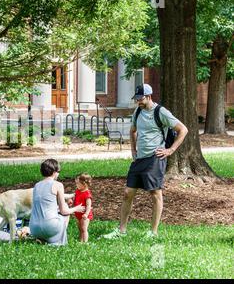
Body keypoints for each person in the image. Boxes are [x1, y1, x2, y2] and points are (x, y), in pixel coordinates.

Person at [103, 84, 188, 239]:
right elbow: (132, 131)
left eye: (140, 99)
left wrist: (170, 150)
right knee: (128, 193)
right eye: (136, 99)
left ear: (149, 96)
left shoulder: (161, 112)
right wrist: (133, 150)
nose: (138, 102)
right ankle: (121, 231)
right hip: (140, 159)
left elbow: (183, 129)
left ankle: (153, 232)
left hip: (155, 158)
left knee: (155, 193)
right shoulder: (138, 111)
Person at [29, 159, 85, 246]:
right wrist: (76, 208)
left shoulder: (37, 185)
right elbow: (64, 211)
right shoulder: (58, 185)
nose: (58, 174)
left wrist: (69, 197)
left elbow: (47, 201)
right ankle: (57, 242)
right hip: (49, 227)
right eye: (58, 171)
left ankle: (42, 239)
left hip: (34, 228)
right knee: (66, 211)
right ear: (54, 172)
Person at [73, 173, 94, 243]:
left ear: (84, 184)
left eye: (78, 183)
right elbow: (75, 198)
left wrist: (86, 214)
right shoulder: (78, 191)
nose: (76, 185)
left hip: (85, 215)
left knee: (84, 229)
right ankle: (80, 241)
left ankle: (85, 242)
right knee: (80, 228)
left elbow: (88, 206)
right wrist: (71, 202)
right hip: (78, 214)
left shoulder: (87, 194)